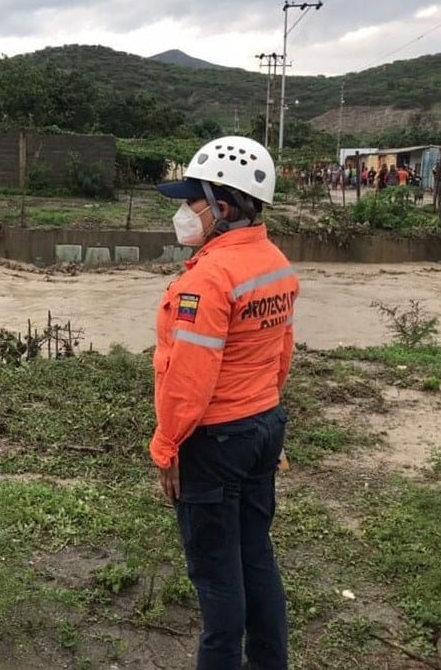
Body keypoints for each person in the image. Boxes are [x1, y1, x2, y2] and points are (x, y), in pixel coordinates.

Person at [151, 135, 299, 669]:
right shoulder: (274, 262)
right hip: (263, 427)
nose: (184, 213)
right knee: (256, 555)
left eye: (192, 201)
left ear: (224, 205)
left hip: (213, 443)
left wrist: (167, 448)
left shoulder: (209, 279)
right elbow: (280, 353)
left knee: (217, 580)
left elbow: (189, 379)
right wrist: (268, 415)